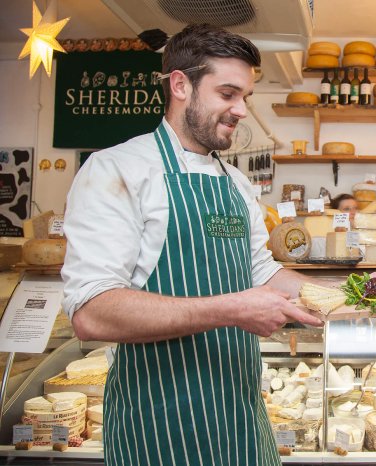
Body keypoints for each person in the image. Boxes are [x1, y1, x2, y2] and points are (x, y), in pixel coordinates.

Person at [62, 24, 330, 466]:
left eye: (245, 96)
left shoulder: (237, 183)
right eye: (227, 94)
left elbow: (263, 273)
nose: (241, 110)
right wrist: (231, 309)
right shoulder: (117, 170)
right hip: (160, 425)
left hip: (242, 420)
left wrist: (361, 295)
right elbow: (92, 312)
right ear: (181, 84)